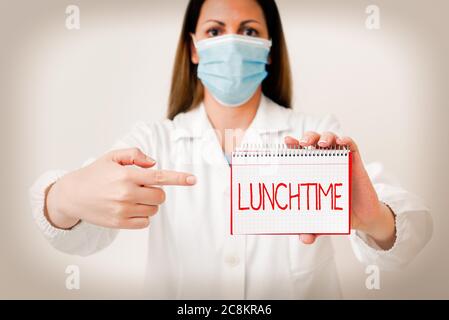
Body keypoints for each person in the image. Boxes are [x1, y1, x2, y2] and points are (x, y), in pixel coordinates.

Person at [29, 0, 432, 299]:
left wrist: (375, 219)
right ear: (192, 48)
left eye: (250, 31)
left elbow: (411, 233)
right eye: (215, 31)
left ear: (270, 50)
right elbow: (75, 235)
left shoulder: (316, 134)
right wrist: (67, 197)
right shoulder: (153, 141)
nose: (233, 43)